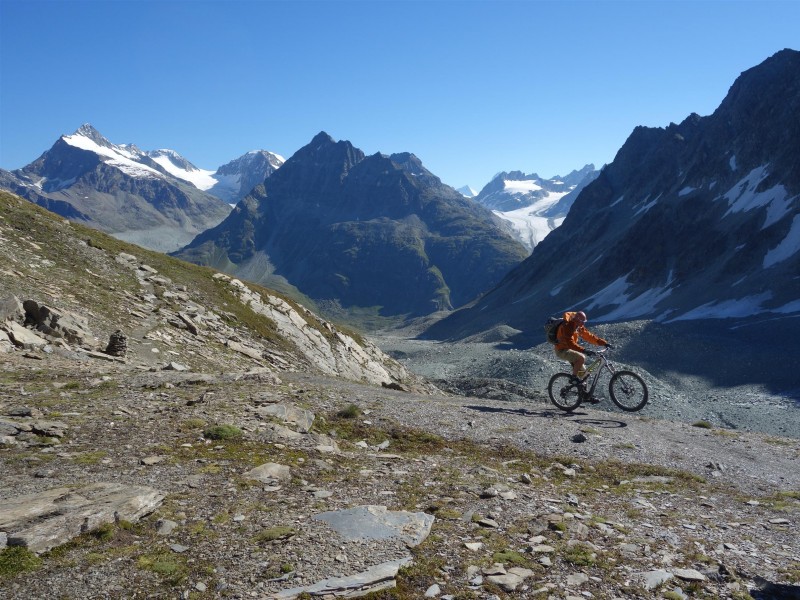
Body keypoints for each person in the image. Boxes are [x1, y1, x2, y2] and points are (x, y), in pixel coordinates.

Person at [553, 310, 611, 380]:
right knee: (581, 358)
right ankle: (573, 378)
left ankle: (581, 387)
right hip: (562, 350)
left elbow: (588, 336)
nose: (583, 323)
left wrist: (604, 343)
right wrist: (584, 350)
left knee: (584, 375)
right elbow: (570, 343)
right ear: (578, 320)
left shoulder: (578, 326)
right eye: (582, 321)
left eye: (584, 321)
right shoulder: (567, 326)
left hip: (570, 349)